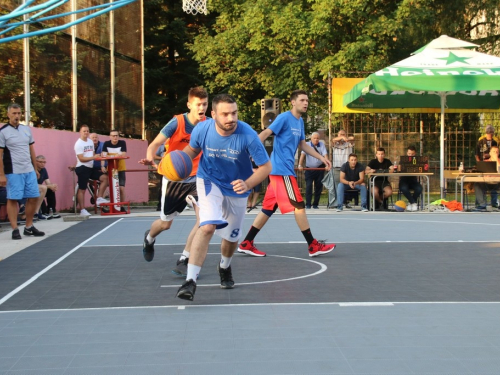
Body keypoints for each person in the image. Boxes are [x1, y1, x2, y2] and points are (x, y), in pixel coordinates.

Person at [176, 93, 271, 301]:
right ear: (214, 114)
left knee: (231, 238)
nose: (231, 118)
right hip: (209, 180)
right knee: (207, 226)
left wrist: (248, 183)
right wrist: (176, 164)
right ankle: (190, 281)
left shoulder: (248, 135)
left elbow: (266, 167)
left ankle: (224, 267)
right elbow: (191, 150)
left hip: (238, 188)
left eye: (234, 113)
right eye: (225, 114)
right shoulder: (203, 128)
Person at [238, 90, 335, 258]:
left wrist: (322, 158)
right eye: (303, 100)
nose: (306, 103)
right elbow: (266, 133)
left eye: (307, 100)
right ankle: (313, 245)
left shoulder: (300, 122)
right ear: (293, 102)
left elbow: (302, 145)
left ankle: (247, 243)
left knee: (268, 208)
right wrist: (250, 150)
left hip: (282, 171)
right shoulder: (283, 118)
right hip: (281, 170)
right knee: (299, 206)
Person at [139, 87, 209, 277]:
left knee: (204, 221)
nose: (202, 108)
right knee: (165, 224)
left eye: (205, 104)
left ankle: (185, 258)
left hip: (198, 178)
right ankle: (149, 237)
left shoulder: (209, 124)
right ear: (189, 105)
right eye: (198, 104)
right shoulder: (177, 122)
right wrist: (150, 158)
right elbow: (154, 144)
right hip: (175, 178)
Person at [0, 103, 45, 239]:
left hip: (28, 170)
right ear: (8, 115)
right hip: (13, 171)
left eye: (19, 113)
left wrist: (35, 168)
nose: (17, 116)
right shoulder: (3, 132)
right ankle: (15, 229)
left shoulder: (26, 130)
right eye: (14, 113)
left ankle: (28, 226)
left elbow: (31, 149)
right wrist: (1, 174)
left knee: (34, 197)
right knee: (13, 199)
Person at [74, 124, 107, 216]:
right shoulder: (78, 144)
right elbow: (81, 158)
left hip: (90, 167)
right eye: (84, 131)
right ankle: (82, 210)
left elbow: (92, 155)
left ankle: (99, 198)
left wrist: (99, 160)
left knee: (105, 178)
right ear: (80, 132)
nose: (86, 133)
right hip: (82, 168)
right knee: (82, 189)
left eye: (87, 131)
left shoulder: (90, 141)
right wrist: (93, 157)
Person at [298, 132, 328, 209]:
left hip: (319, 168)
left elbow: (325, 156)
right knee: (308, 186)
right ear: (311, 139)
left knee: (319, 186)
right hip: (309, 168)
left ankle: (315, 204)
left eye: (317, 138)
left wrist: (327, 165)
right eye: (314, 138)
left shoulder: (321, 145)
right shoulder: (307, 145)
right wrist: (300, 165)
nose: (316, 139)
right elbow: (302, 155)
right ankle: (308, 204)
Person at [103, 130, 127, 209]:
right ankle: (110, 205)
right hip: (111, 169)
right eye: (113, 136)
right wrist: (102, 166)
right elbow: (103, 155)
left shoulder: (122, 143)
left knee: (121, 188)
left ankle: (122, 206)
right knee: (111, 188)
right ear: (110, 137)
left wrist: (113, 156)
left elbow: (123, 154)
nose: (115, 137)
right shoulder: (106, 144)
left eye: (116, 135)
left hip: (120, 168)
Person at [35, 155, 61, 219]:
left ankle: (51, 210)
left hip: (42, 189)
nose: (42, 164)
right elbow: (33, 185)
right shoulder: (33, 170)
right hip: (34, 189)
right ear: (35, 162)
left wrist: (52, 186)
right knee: (43, 190)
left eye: (44, 162)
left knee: (51, 190)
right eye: (40, 162)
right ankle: (43, 212)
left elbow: (48, 182)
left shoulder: (44, 170)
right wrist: (49, 186)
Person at [474, 145, 499, 210]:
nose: (495, 153)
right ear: (490, 153)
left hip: (498, 183)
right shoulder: (485, 162)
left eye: (497, 152)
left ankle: (495, 204)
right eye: (494, 152)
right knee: (477, 184)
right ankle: (482, 204)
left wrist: (497, 160)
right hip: (487, 182)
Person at [399, 145, 423, 212]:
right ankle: (413, 202)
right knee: (403, 188)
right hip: (404, 180)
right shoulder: (403, 160)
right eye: (409, 154)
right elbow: (399, 169)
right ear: (407, 153)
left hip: (413, 181)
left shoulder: (418, 161)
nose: (410, 155)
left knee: (419, 188)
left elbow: (422, 169)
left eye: (412, 154)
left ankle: (411, 203)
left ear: (415, 154)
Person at [331, 129, 355, 195]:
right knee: (336, 185)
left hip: (346, 168)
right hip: (337, 168)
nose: (342, 136)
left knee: (346, 185)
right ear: (338, 135)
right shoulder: (335, 143)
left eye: (343, 134)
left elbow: (352, 138)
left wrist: (345, 138)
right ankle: (337, 202)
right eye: (340, 134)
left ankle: (346, 201)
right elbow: (333, 140)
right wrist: (341, 137)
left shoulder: (349, 143)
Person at [89, 133, 109, 205]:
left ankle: (100, 197)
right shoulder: (87, 146)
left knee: (108, 180)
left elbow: (104, 156)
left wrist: (102, 166)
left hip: (103, 167)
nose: (94, 139)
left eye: (96, 137)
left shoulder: (103, 145)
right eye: (93, 137)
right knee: (82, 184)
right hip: (91, 168)